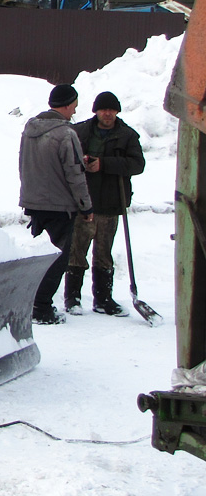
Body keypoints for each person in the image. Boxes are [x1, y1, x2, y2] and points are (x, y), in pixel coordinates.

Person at [64, 91, 146, 316]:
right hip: (83, 203)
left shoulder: (127, 136)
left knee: (103, 253)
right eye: (103, 110)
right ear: (96, 111)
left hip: (110, 203)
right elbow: (65, 158)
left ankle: (103, 298)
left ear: (117, 111)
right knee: (76, 250)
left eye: (111, 110)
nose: (107, 114)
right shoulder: (79, 131)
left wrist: (105, 164)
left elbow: (137, 165)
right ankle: (72, 298)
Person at [19, 83, 94, 325]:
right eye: (74, 105)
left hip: (34, 201)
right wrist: (86, 206)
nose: (74, 111)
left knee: (38, 256)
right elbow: (74, 174)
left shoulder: (30, 129)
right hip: (60, 206)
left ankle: (29, 301)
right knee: (57, 257)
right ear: (68, 103)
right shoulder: (66, 134)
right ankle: (41, 307)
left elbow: (26, 164)